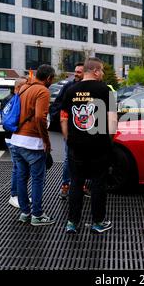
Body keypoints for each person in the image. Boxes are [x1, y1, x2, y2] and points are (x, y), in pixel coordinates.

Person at [61, 57, 117, 234]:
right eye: (101, 71)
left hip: (76, 145)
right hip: (99, 145)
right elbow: (112, 119)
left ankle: (72, 223)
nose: (102, 74)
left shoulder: (70, 90)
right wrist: (109, 139)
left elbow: (63, 118)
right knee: (98, 184)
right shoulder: (105, 90)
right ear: (95, 71)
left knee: (76, 183)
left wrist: (68, 139)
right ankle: (97, 223)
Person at [10, 65, 56, 226]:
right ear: (49, 78)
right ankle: (37, 215)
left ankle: (25, 213)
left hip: (16, 140)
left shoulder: (23, 88)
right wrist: (46, 141)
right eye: (53, 78)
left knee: (21, 178)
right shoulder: (43, 91)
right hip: (32, 142)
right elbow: (40, 118)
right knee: (37, 179)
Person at [54, 62, 85, 200]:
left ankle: (80, 184)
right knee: (68, 158)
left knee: (84, 159)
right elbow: (58, 104)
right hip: (71, 129)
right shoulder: (69, 86)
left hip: (86, 130)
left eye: (79, 72)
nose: (76, 74)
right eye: (75, 71)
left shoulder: (90, 87)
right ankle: (65, 185)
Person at [1, 77, 28, 208]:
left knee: (19, 167)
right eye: (25, 86)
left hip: (11, 136)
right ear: (18, 87)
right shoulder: (14, 99)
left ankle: (18, 194)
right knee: (18, 167)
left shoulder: (8, 98)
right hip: (13, 137)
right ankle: (14, 195)